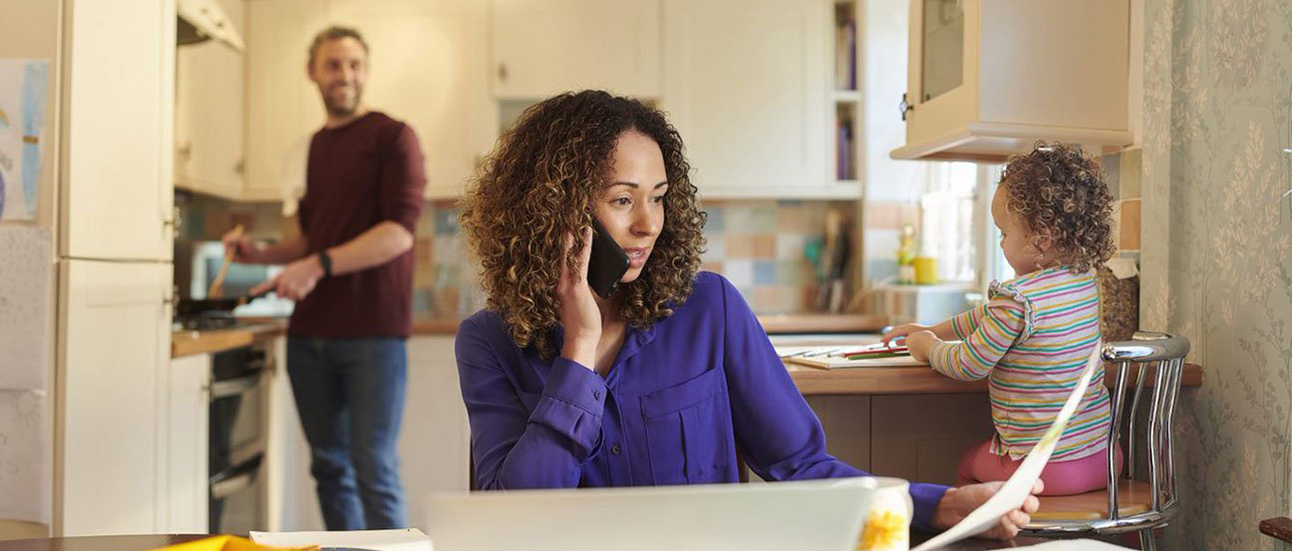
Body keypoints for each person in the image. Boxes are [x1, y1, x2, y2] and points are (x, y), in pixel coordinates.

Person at [454, 90, 1039, 539]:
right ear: (557, 213)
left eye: (658, 197)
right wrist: (578, 348)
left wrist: (940, 505)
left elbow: (800, 465)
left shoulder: (710, 309)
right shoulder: (488, 342)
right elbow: (510, 521)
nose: (647, 224)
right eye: (622, 199)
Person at [222, 26, 425, 529]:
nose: (345, 75)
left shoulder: (393, 136)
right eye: (333, 64)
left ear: (366, 70)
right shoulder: (305, 150)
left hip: (373, 336)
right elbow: (311, 242)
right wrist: (261, 253)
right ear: (312, 71)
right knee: (329, 469)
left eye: (354, 64)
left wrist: (316, 265)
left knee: (373, 468)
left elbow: (398, 234)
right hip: (310, 335)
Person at [884, 142, 1119, 496]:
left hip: (1042, 470)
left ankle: (992, 541)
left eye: (1004, 233)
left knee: (968, 462)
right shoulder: (1083, 281)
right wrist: (935, 328)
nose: (1000, 243)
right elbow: (987, 316)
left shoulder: (1017, 300)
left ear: (1040, 240)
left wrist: (928, 347)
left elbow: (970, 363)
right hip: (1106, 461)